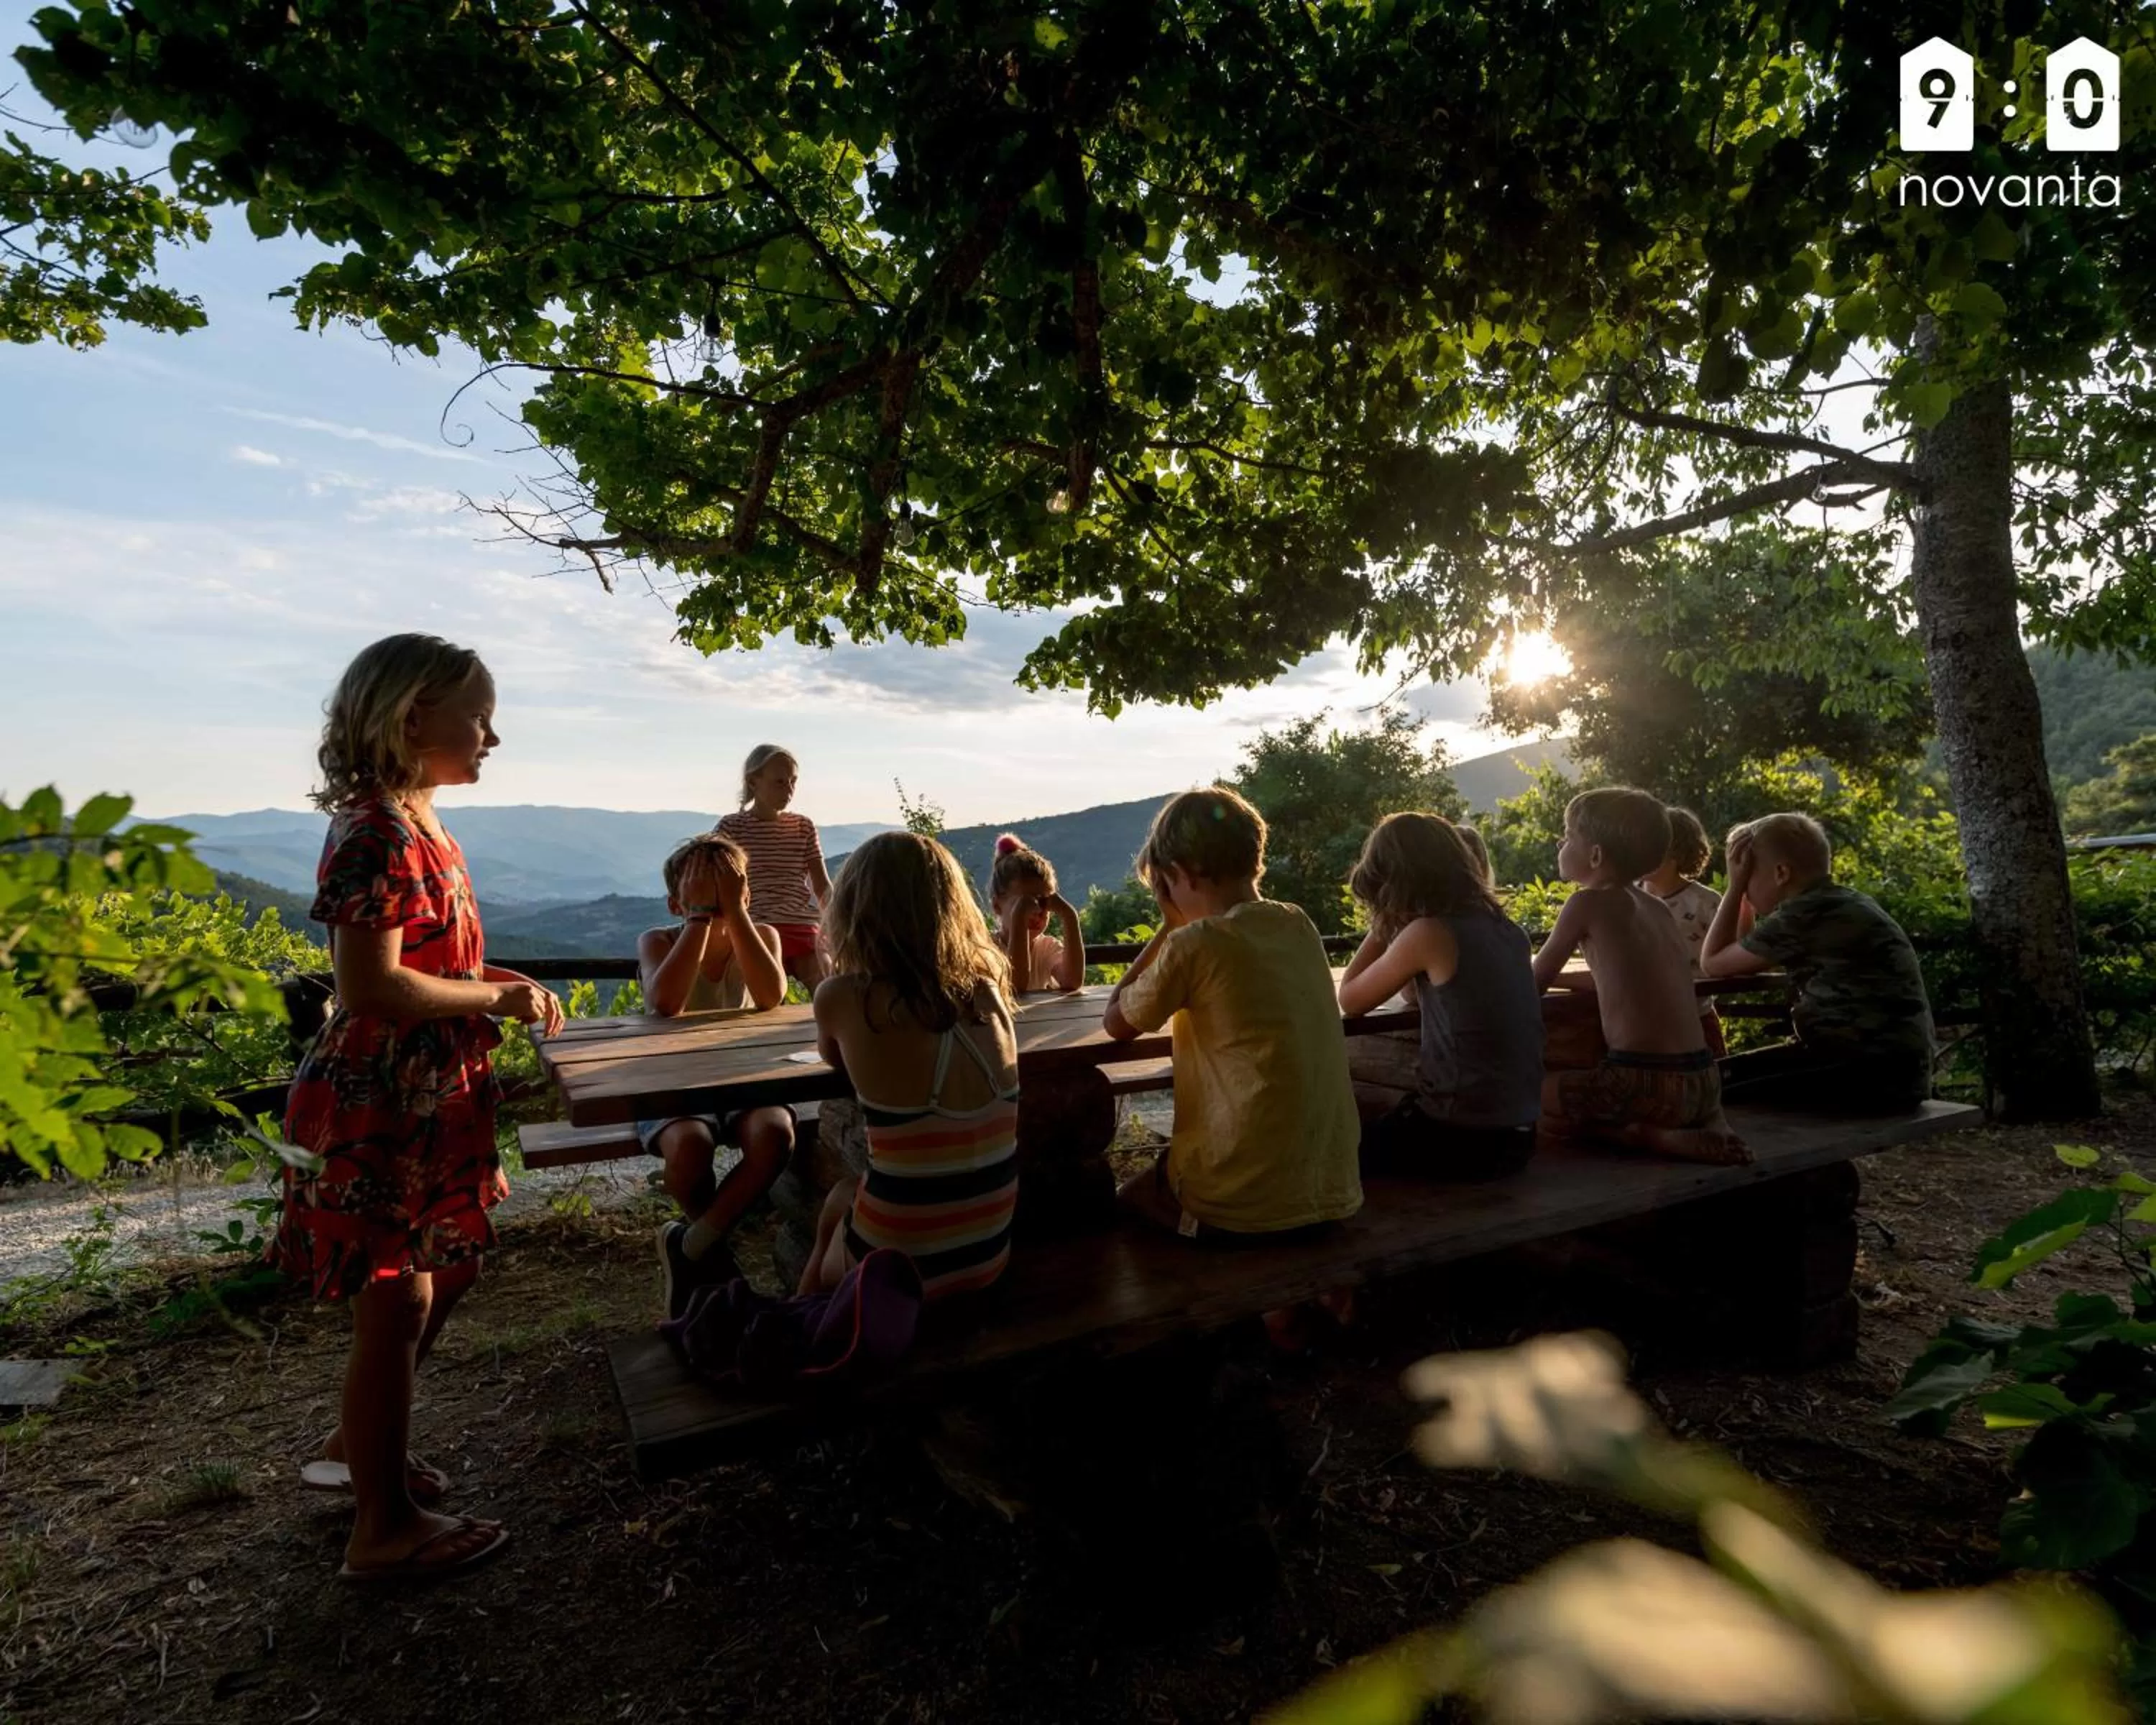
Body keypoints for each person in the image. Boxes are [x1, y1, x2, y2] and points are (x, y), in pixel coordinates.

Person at [275, 633, 563, 1584]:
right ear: (413, 719)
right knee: (400, 1299)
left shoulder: (421, 820)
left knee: (442, 1274)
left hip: (430, 1091)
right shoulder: (377, 832)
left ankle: (361, 1448)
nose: (494, 735)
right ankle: (382, 1527)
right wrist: (495, 1001)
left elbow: (432, 965)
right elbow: (371, 989)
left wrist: (493, 980)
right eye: (478, 717)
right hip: (379, 1103)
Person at [1104, 788, 1363, 1239]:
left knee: (1124, 1204)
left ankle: (1245, 1301)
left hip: (1237, 1194)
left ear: (1179, 874)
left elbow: (1116, 1021)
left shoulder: (1195, 942)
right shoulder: (1298, 924)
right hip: (1330, 1185)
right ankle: (1291, 1301)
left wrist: (1169, 925)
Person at [798, 833, 1021, 1302]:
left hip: (893, 1267)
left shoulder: (842, 997)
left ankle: (807, 1310)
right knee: (844, 1194)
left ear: (855, 912)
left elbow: (832, 1056)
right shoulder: (989, 994)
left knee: (833, 1223)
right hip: (988, 1255)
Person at [1531, 788, 1745, 1164]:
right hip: (1704, 1082)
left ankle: (1645, 1136)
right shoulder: (1658, 909)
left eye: (1568, 835)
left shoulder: (1586, 903)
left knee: (1528, 1094)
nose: (1560, 843)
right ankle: (1715, 1125)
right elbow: (1630, 978)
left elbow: (1533, 984)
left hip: (1643, 1087)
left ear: (1595, 855)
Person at [637, 834, 798, 1319]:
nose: (723, 903)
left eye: (731, 890)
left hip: (743, 1077)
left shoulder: (761, 935)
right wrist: (700, 920)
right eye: (705, 893)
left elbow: (770, 995)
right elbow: (665, 1005)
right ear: (675, 903)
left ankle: (692, 1246)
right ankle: (713, 1258)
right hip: (673, 1079)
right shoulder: (659, 940)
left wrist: (738, 915)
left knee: (775, 1134)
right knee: (690, 1146)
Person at [1339, 812, 1544, 1179]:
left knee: (1331, 1153)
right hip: (1520, 1138)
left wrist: (1385, 924)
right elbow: (1421, 996)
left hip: (1458, 1137)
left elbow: (1351, 999)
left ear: (1395, 882)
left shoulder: (1429, 933)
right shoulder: (1509, 931)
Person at [1700, 813, 1936, 1110]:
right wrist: (1747, 893)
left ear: (1781, 873)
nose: (1745, 885)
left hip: (1866, 1074)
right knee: (1714, 1079)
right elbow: (1735, 953)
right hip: (1893, 1068)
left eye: (1748, 874)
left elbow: (1713, 963)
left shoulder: (1802, 916)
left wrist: (1735, 889)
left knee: (1708, 1091)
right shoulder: (1845, 901)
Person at [716, 743, 831, 988]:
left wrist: (839, 923)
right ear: (753, 782)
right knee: (760, 992)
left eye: (793, 782)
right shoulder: (732, 828)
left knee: (825, 982)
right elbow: (716, 880)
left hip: (799, 923)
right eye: (780, 782)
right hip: (752, 925)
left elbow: (821, 885)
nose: (789, 789)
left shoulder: (803, 827)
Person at [1639, 805, 1728, 1056]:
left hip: (1694, 1020)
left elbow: (1727, 955)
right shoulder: (1623, 897)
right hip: (1637, 1022)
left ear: (1675, 851)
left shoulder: (1706, 902)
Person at [987, 832, 1084, 994]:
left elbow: (1072, 981)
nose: (1036, 911)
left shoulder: (1046, 948)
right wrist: (1020, 919)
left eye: (1042, 902)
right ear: (997, 906)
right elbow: (1015, 986)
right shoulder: (988, 948)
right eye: (1023, 903)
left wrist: (1070, 916)